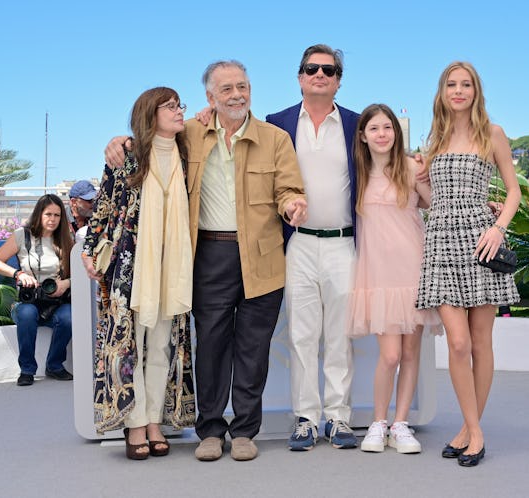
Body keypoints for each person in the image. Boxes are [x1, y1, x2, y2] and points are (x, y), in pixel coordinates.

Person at [104, 60, 307, 462]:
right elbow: (149, 142)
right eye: (227, 89)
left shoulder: (276, 137)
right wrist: (119, 141)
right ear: (210, 98)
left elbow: (288, 186)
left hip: (262, 257)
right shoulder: (190, 133)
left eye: (243, 86)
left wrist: (293, 204)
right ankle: (211, 431)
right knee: (211, 345)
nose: (237, 94)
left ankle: (245, 431)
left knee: (253, 348)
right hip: (208, 255)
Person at [416, 61, 521, 467]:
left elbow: (513, 191)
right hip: (441, 241)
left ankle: (468, 429)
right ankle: (475, 430)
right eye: (451, 84)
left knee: (480, 343)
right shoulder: (435, 139)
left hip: (481, 240)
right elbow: (430, 196)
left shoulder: (491, 134)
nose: (458, 91)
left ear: (476, 91)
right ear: (442, 92)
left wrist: (498, 227)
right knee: (457, 343)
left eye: (466, 84)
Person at [83, 87, 194, 460]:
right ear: (151, 114)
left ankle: (153, 422)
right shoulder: (128, 156)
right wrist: (88, 250)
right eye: (171, 106)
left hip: (173, 266)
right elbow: (103, 204)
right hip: (132, 268)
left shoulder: (187, 152)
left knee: (163, 345)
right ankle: (135, 425)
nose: (180, 111)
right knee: (133, 346)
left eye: (181, 105)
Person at [265, 44, 360, 451]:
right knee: (302, 336)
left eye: (329, 69)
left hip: (344, 242)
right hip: (297, 244)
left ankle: (339, 419)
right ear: (300, 76)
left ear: (339, 79)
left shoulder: (358, 124)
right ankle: (306, 417)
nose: (320, 74)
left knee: (340, 335)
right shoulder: (276, 124)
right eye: (311, 68)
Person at [348, 104, 442, 454]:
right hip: (378, 275)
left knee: (410, 352)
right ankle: (378, 422)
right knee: (388, 355)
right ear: (363, 135)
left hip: (414, 269)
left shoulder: (412, 167)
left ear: (396, 132)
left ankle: (401, 424)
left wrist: (426, 178)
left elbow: (436, 205)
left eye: (387, 127)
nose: (382, 134)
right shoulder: (357, 172)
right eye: (374, 128)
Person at [0, 194, 74, 386]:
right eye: (48, 214)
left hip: (57, 300)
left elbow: (81, 273)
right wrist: (18, 274)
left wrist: (65, 284)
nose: (52, 219)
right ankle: (27, 370)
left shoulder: (67, 239)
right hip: (29, 300)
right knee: (26, 314)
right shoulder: (22, 235)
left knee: (69, 317)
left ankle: (55, 365)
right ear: (39, 214)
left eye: (57, 215)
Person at [67, 179, 97, 244]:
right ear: (74, 202)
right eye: (89, 201)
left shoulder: (96, 219)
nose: (93, 204)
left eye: (95, 200)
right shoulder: (61, 220)